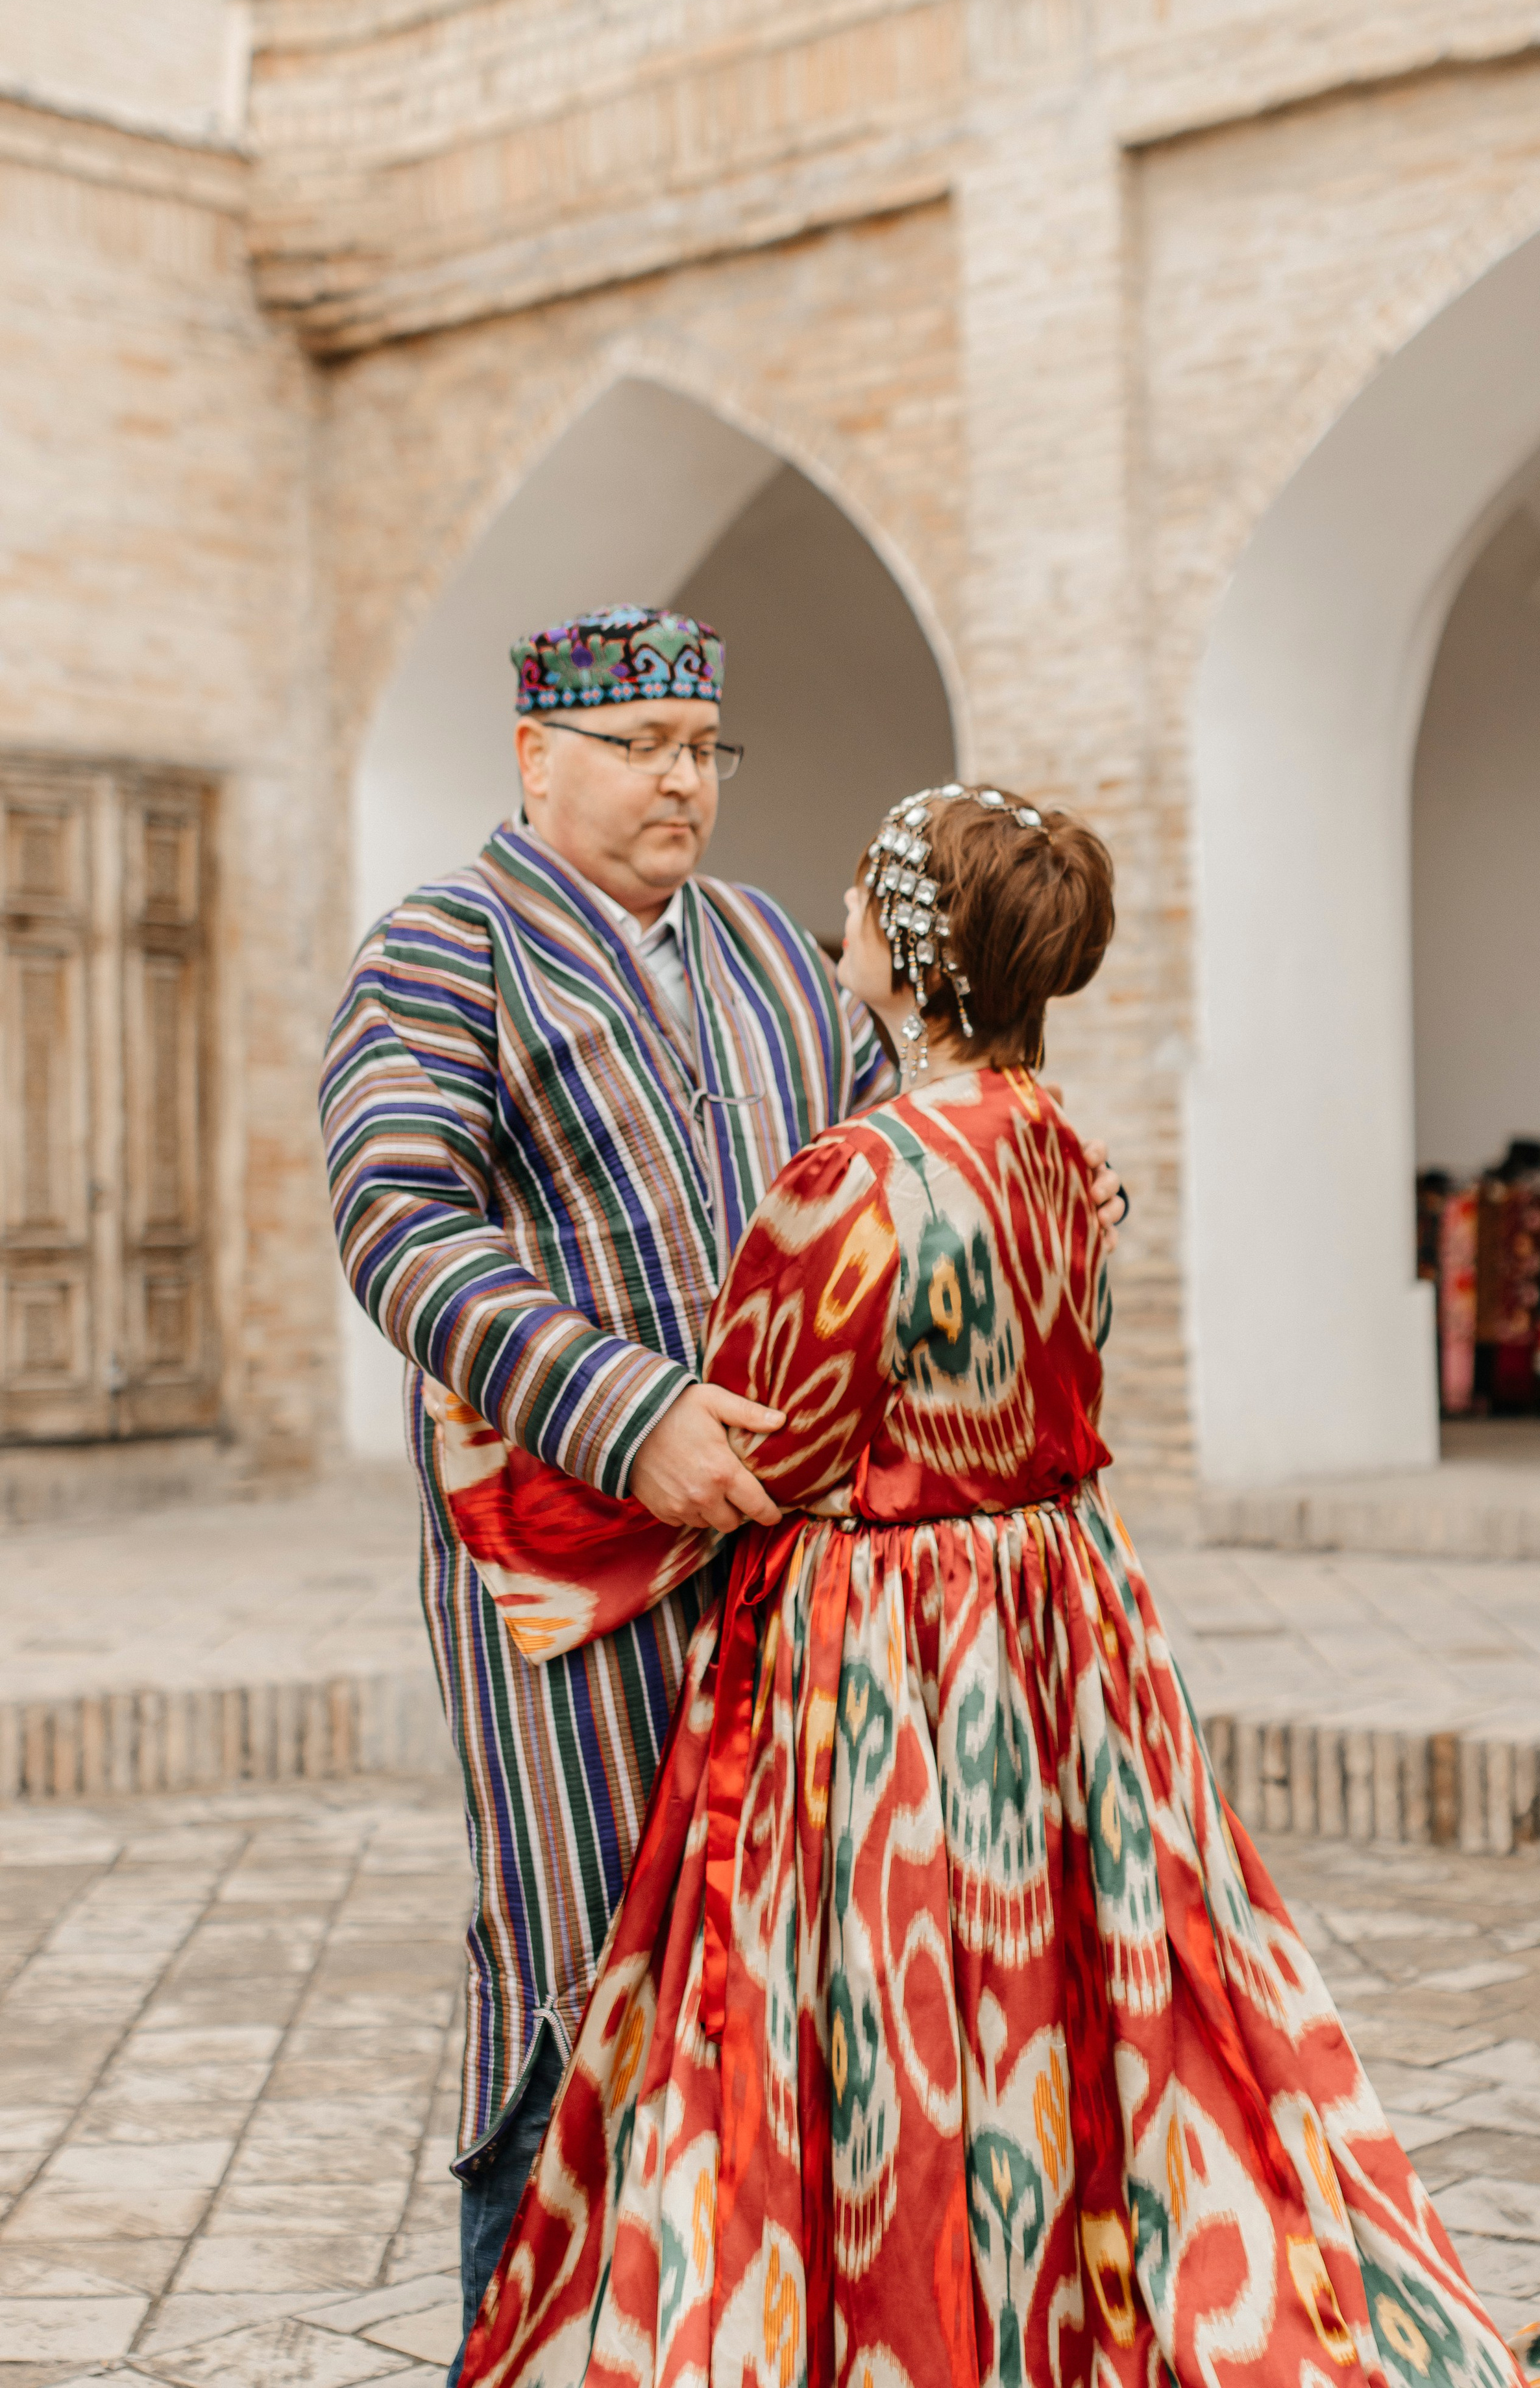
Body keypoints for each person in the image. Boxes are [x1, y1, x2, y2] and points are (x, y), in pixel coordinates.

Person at [454, 781, 1539, 2388]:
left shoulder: (854, 1173)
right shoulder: (1063, 1148)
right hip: (1059, 1619)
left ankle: (894, 2317)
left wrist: (503, 1436)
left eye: (856, 889)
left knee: (885, 1999)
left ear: (909, 947)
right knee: (1077, 1971)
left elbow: (761, 1444)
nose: (832, 916)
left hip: (885, 1642)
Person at [318, 611, 1127, 2380]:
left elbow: (879, 1190)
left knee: (781, 1981)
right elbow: (398, 1224)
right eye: (640, 742)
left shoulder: (774, 947)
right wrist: (631, 1414)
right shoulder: (439, 955)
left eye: (704, 742)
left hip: (806, 1578)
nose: (683, 775)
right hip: (570, 1573)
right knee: (585, 1975)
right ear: (538, 759)